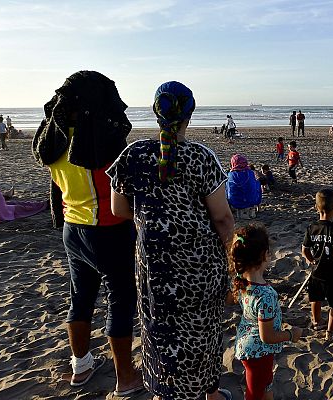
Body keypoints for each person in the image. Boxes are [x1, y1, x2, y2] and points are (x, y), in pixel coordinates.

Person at [106, 80, 234, 399]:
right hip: (200, 265)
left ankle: (165, 391)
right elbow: (222, 218)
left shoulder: (133, 154)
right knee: (203, 330)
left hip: (154, 265)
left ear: (155, 112)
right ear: (190, 114)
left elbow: (117, 208)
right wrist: (233, 261)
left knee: (158, 330)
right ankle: (210, 392)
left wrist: (155, 220)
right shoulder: (201, 157)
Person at [31, 71, 142, 396]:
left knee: (80, 297)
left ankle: (81, 365)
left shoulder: (56, 140)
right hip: (108, 230)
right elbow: (123, 190)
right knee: (120, 300)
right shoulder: (98, 143)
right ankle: (125, 377)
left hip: (72, 228)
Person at [229, 224, 303, 400]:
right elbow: (267, 336)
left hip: (248, 345)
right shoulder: (266, 295)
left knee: (265, 384)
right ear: (264, 256)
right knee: (254, 393)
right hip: (258, 352)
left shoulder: (241, 282)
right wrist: (291, 334)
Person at [302, 188, 333, 341]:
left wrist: (311, 260)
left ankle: (316, 321)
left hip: (316, 272)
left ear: (316, 208)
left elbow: (304, 250)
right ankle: (331, 332)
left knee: (316, 298)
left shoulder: (311, 228)